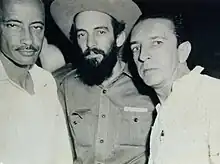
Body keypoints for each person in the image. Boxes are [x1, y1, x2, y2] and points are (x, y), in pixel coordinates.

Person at [50, 0, 155, 163]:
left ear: (119, 38)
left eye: (100, 32)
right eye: (82, 34)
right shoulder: (63, 87)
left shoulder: (148, 85)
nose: (90, 44)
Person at [130, 13, 220, 164]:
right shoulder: (163, 112)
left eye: (157, 43)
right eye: (135, 48)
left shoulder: (213, 97)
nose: (142, 56)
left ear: (183, 51)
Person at [0, 0, 73, 163]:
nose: (28, 40)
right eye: (14, 25)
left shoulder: (45, 81)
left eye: (37, 27)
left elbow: (61, 155)